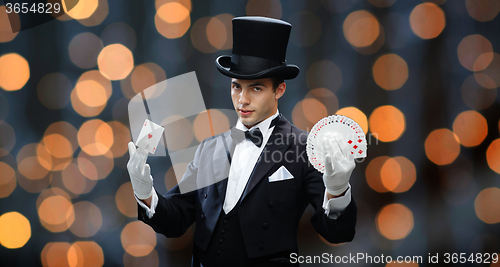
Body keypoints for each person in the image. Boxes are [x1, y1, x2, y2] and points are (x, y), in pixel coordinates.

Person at [127, 16, 357, 266]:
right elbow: (177, 219)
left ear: (279, 90)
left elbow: (337, 233)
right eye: (236, 86)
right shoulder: (209, 148)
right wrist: (145, 193)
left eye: (256, 88)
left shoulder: (303, 148)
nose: (242, 99)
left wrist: (337, 192)